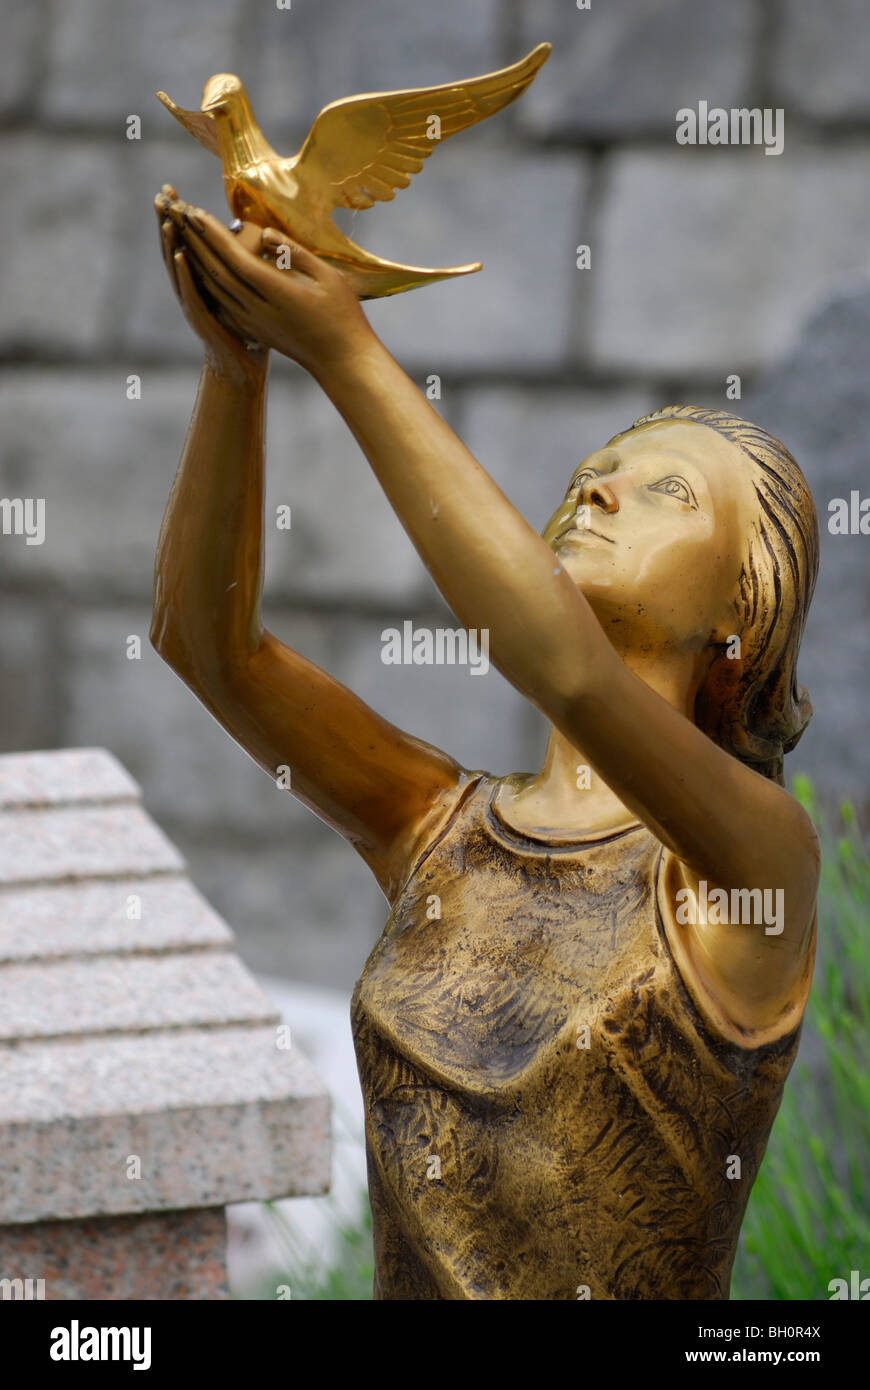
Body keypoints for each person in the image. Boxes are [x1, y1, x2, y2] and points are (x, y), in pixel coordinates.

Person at [151, 187, 820, 1300]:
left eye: (668, 492)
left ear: (739, 622)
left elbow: (560, 663)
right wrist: (237, 364)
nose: (598, 485)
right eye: (593, 469)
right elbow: (206, 646)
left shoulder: (752, 869)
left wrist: (345, 347)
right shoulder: (437, 828)